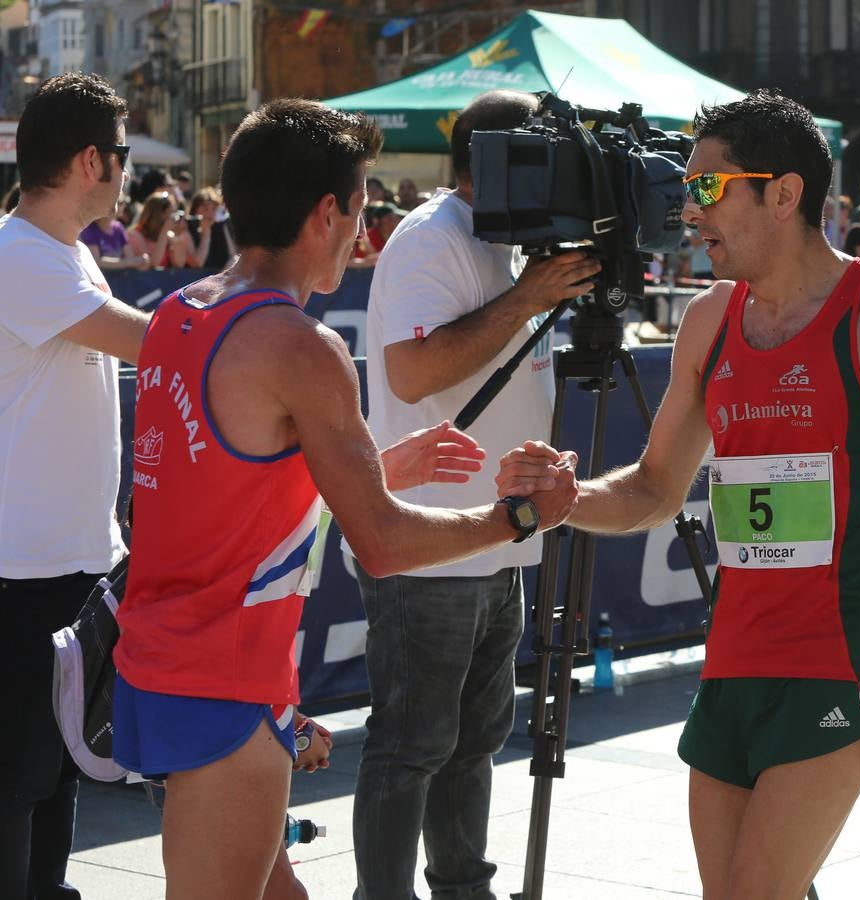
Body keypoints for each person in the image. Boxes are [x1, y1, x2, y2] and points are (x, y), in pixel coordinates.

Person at [497, 89, 860, 900]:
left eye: (709, 189)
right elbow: (654, 488)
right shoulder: (709, 319)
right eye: (687, 190)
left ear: (784, 194)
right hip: (735, 655)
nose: (688, 211)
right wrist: (567, 498)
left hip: (842, 654)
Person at [111, 97, 579, 900]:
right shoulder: (301, 345)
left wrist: (379, 464)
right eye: (360, 210)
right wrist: (523, 516)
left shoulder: (179, 314)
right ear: (325, 211)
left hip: (173, 663)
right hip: (224, 686)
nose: (364, 235)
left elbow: (224, 494)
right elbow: (386, 543)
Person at [350, 88, 599, 900]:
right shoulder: (435, 237)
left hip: (497, 536)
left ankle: (464, 888)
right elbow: (414, 371)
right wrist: (530, 297)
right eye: (551, 159)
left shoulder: (503, 240)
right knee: (413, 743)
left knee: (474, 741)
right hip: (430, 544)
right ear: (504, 163)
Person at [0, 72, 150, 900]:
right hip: (22, 569)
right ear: (92, 160)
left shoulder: (68, 251)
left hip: (74, 561)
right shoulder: (19, 253)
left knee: (56, 772)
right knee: (19, 778)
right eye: (123, 157)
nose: (129, 173)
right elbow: (149, 342)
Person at [126, 190, 185, 268]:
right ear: (158, 214)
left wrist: (178, 237)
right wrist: (164, 232)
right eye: (171, 213)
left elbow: (179, 263)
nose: (172, 217)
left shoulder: (169, 235)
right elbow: (153, 263)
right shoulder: (135, 234)